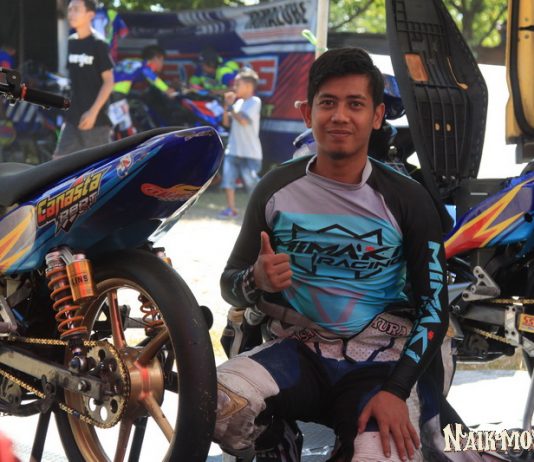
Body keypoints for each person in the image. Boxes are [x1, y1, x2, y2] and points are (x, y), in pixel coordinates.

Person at [215, 47, 465, 462]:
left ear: (378, 115)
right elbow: (229, 285)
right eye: (328, 103)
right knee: (217, 401)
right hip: (297, 352)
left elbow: (434, 310)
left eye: (355, 104)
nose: (340, 116)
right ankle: (277, 443)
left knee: (380, 455)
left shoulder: (408, 198)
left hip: (380, 362)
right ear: (306, 113)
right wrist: (254, 280)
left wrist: (396, 391)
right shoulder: (274, 189)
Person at [53, 0, 114, 159]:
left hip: (96, 121)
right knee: (58, 162)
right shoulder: (71, 42)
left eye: (76, 9)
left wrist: (93, 112)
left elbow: (109, 82)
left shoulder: (99, 44)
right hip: (73, 117)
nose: (71, 13)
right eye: (69, 9)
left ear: (90, 15)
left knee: (97, 168)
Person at [218, 68, 262, 219]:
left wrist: (231, 107)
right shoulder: (237, 103)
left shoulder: (255, 102)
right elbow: (226, 123)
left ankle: (260, 212)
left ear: (249, 86)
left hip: (250, 153)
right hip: (233, 150)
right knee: (228, 181)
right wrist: (227, 106)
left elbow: (243, 121)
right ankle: (231, 209)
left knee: (252, 184)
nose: (234, 87)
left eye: (238, 84)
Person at [109, 44, 176, 138]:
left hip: (108, 93)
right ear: (156, 58)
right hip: (117, 96)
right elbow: (152, 78)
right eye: (162, 60)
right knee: (125, 129)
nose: (162, 64)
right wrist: (167, 90)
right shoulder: (143, 66)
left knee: (117, 125)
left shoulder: (133, 62)